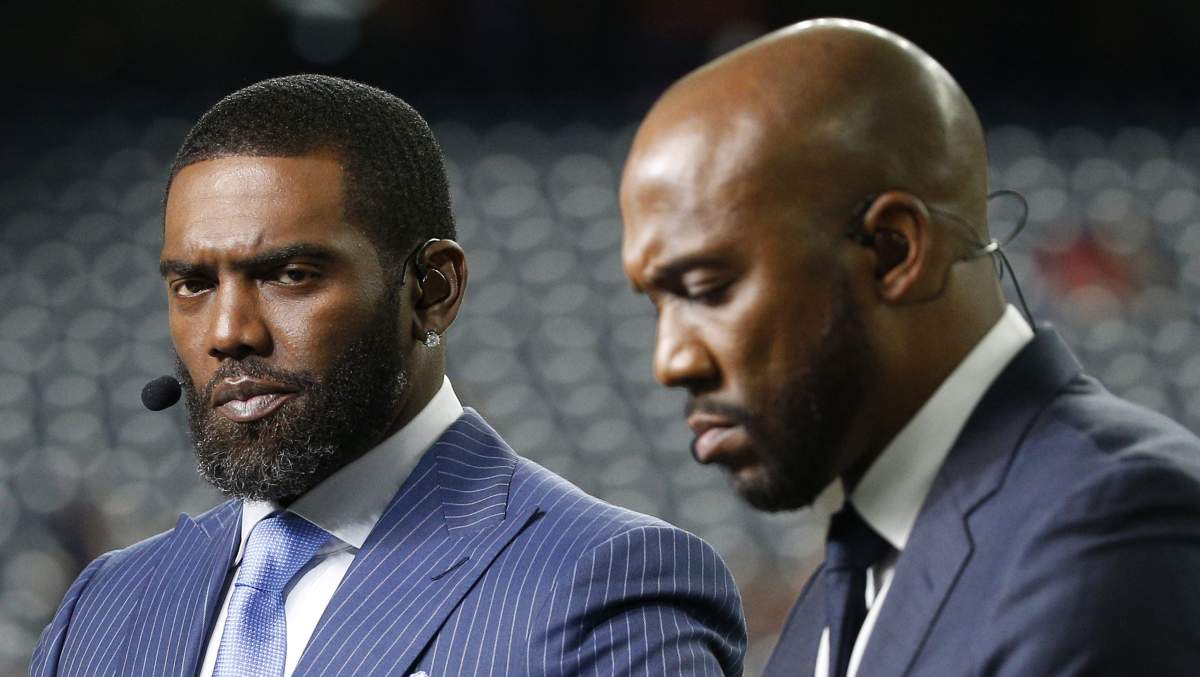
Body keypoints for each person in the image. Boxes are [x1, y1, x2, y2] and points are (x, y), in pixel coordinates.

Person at [32, 74, 746, 677]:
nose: (228, 333)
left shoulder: (607, 586)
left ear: (433, 289)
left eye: (290, 274)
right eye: (193, 284)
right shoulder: (104, 606)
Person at [619, 18, 1200, 677]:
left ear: (893, 251)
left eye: (708, 289)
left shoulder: (1111, 525)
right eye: (655, 304)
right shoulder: (836, 598)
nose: (671, 361)